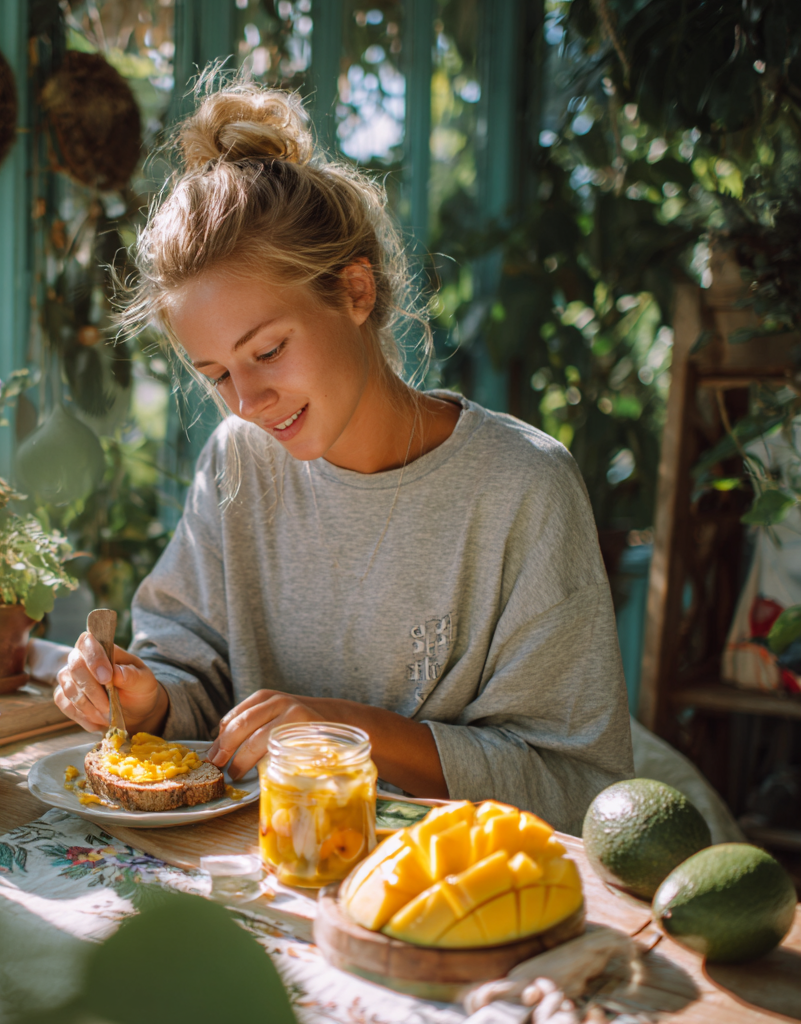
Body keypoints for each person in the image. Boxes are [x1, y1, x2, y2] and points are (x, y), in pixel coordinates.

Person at [55, 79, 633, 834]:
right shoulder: (241, 462)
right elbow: (189, 670)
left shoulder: (523, 488)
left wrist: (335, 732)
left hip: (447, 898)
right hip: (262, 876)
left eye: (267, 351)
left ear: (355, 291)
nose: (248, 402)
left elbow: (579, 788)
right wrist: (151, 699)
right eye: (218, 375)